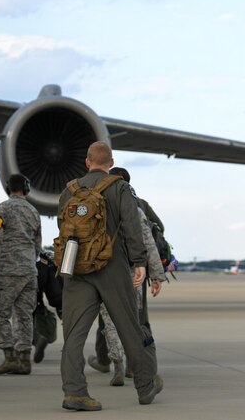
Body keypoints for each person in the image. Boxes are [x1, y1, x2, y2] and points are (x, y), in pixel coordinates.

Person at [58, 141, 162, 411]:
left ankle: (75, 393)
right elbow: (131, 227)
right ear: (111, 163)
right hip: (112, 267)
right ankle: (145, 385)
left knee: (74, 335)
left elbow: (63, 228)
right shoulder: (119, 187)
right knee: (129, 327)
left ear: (87, 162)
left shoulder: (69, 191)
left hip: (76, 268)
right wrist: (140, 261)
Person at [88, 167, 166, 384]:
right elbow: (157, 231)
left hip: (106, 270)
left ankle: (112, 363)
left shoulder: (96, 201)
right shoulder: (140, 203)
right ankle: (136, 366)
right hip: (135, 271)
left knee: (108, 322)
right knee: (138, 320)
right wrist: (156, 273)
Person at [0, 173, 41, 375]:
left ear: (9, 188)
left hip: (8, 269)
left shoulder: (3, 208)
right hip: (29, 271)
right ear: (26, 189)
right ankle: (25, 359)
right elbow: (37, 244)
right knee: (24, 315)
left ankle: (10, 357)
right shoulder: (34, 211)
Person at [32, 250, 63, 363]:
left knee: (22, 318)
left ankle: (36, 340)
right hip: (60, 294)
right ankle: (71, 346)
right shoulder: (49, 259)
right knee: (67, 318)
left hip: (28, 282)